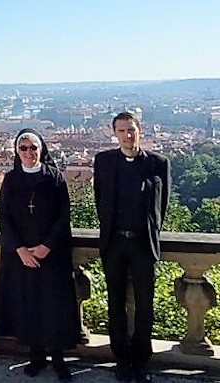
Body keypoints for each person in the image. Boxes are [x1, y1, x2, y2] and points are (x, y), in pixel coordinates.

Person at [0, 128, 79, 381]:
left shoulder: (54, 178)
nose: (29, 153)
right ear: (16, 152)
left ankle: (58, 359)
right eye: (24, 148)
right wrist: (20, 249)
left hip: (51, 255)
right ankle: (36, 356)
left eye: (33, 148)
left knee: (54, 307)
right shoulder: (10, 179)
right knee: (28, 305)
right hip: (21, 256)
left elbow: (64, 216)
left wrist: (46, 246)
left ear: (42, 149)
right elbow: (3, 217)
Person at [94, 112, 170, 383]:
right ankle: (121, 359)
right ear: (114, 133)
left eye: (132, 130)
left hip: (142, 243)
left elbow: (163, 204)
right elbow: (99, 198)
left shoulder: (158, 163)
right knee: (115, 302)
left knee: (144, 304)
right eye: (122, 130)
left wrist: (151, 231)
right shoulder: (103, 162)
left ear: (140, 130)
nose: (128, 135)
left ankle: (140, 359)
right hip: (114, 242)